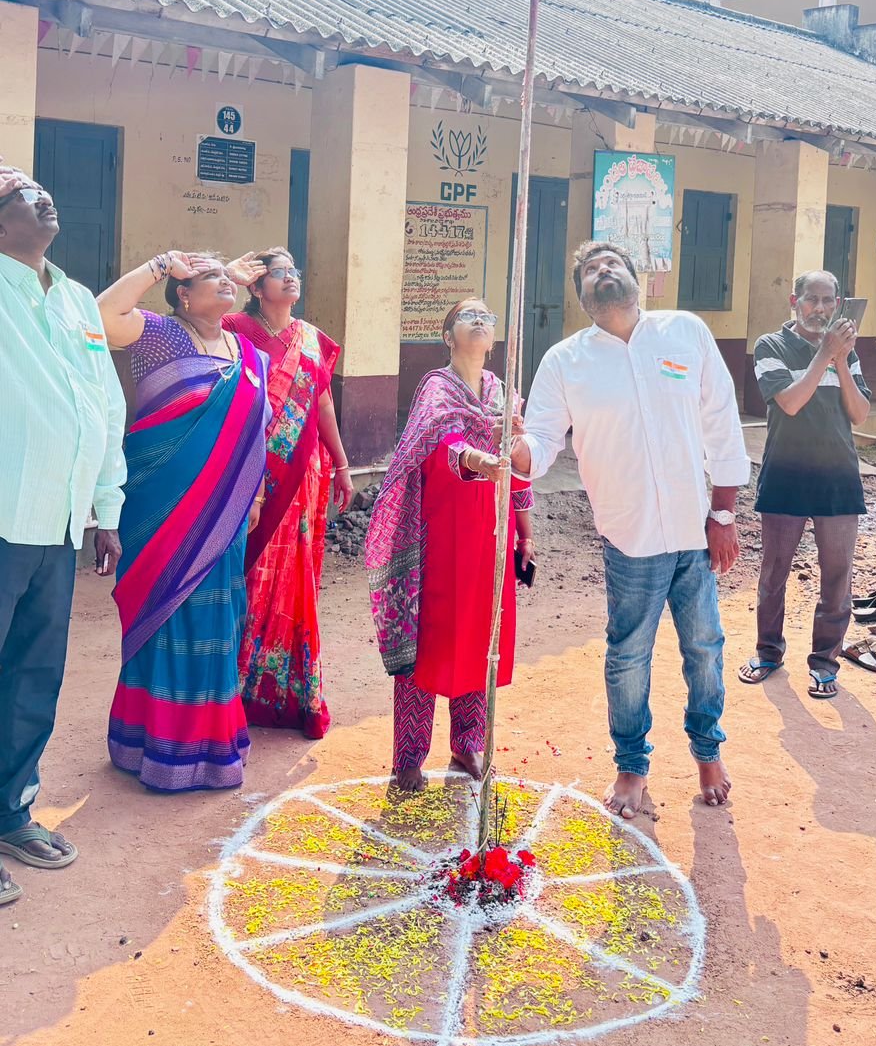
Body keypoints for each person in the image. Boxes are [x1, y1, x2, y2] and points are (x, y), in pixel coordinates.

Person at [512, 241, 750, 820]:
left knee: (705, 648)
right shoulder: (565, 361)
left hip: (694, 531)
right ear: (582, 296)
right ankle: (631, 765)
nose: (603, 273)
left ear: (635, 278)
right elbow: (542, 441)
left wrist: (723, 512)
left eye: (611, 264)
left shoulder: (684, 333)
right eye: (590, 271)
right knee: (627, 656)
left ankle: (708, 754)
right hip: (629, 536)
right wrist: (518, 449)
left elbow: (721, 418)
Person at [0, 160, 126, 910]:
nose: (39, 197)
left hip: (56, 523)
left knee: (34, 677)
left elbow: (104, 406)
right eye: (17, 194)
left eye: (42, 190)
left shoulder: (77, 298)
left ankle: (11, 814)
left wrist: (105, 509)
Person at [97, 252, 269, 792]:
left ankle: (212, 747)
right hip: (163, 513)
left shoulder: (248, 351)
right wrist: (161, 265)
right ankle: (151, 745)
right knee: (167, 616)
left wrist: (255, 489)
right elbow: (101, 313)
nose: (223, 283)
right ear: (183, 295)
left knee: (220, 621)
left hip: (226, 514)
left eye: (226, 278)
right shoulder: (161, 336)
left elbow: (253, 431)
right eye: (207, 279)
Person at [365, 298, 535, 792]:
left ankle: (468, 741)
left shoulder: (502, 392)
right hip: (441, 531)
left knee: (481, 636)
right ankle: (410, 754)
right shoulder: (437, 390)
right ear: (448, 335)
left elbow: (519, 468)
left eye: (488, 316)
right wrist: (481, 460)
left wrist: (526, 530)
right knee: (433, 636)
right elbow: (442, 449)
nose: (482, 321)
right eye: (469, 316)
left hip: (491, 533)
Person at [220, 248, 353, 737]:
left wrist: (341, 464)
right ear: (256, 286)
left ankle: (290, 691)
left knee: (296, 579)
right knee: (247, 576)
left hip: (304, 474)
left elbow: (322, 404)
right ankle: (232, 690)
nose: (292, 279)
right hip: (248, 474)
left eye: (295, 271)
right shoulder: (234, 329)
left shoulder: (313, 341)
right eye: (280, 273)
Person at [739, 271, 870, 700]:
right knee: (774, 572)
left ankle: (825, 661)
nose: (819, 308)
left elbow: (860, 413)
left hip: (838, 477)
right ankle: (768, 652)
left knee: (837, 575)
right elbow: (791, 403)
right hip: (786, 474)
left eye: (827, 300)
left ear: (838, 304)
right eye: (811, 299)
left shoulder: (845, 352)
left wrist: (840, 360)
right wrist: (824, 356)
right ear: (795, 301)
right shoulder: (770, 346)